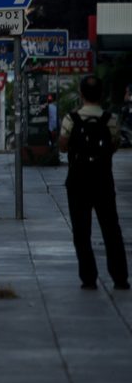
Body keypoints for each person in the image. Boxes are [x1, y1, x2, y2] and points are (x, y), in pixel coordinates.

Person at [58, 75, 129, 290]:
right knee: (111, 229)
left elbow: (62, 146)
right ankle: (120, 277)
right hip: (103, 180)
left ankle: (88, 278)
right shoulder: (110, 119)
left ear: (81, 94)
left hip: (78, 181)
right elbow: (115, 145)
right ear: (102, 95)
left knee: (81, 231)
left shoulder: (71, 119)